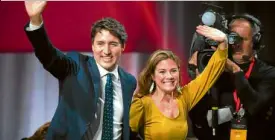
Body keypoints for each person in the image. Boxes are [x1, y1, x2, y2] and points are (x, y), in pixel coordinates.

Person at [24, 1, 137, 140]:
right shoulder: (76, 66)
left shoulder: (129, 81)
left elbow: (122, 126)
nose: (106, 51)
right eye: (100, 44)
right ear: (93, 46)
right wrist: (35, 20)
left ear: (123, 46)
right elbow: (48, 55)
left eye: (113, 44)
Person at [129, 25, 228, 140]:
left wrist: (223, 42)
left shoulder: (184, 97)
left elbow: (211, 72)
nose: (169, 76)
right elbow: (125, 136)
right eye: (162, 72)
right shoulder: (142, 104)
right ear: (152, 76)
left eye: (173, 71)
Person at [188, 13, 275, 140]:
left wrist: (234, 69)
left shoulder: (269, 73)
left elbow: (255, 106)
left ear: (255, 42)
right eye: (232, 38)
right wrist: (197, 79)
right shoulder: (216, 70)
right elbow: (199, 123)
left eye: (242, 39)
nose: (236, 45)